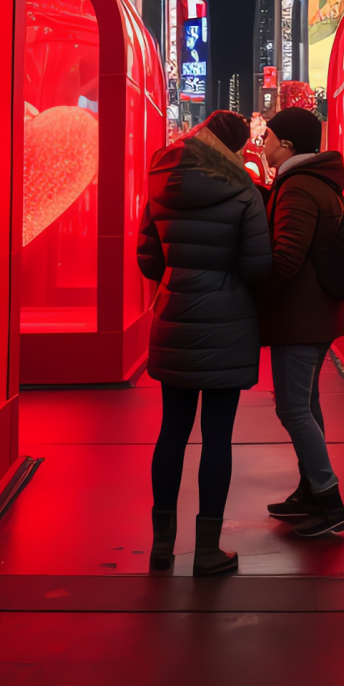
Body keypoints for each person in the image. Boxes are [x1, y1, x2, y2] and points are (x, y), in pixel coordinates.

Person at [136, 110, 269, 575]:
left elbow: (148, 258)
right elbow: (258, 266)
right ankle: (209, 550)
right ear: (231, 149)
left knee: (171, 431)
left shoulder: (159, 179)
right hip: (227, 322)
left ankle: (161, 546)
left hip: (173, 319)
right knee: (217, 437)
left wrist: (179, 274)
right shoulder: (243, 191)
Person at [256, 107, 344, 537]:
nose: (263, 143)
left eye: (269, 136)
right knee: (306, 405)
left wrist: (252, 290)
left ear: (288, 144)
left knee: (293, 408)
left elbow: (286, 259)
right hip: (316, 313)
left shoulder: (297, 188)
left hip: (300, 316)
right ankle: (310, 490)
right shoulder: (319, 182)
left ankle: (329, 499)